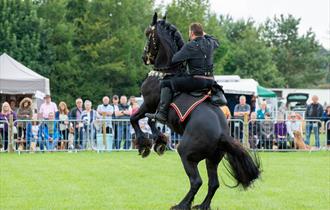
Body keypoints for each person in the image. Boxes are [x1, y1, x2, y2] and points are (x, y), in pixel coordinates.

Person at [145, 22, 226, 122]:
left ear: (192, 33)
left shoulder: (190, 46)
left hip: (196, 81)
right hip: (211, 81)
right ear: (202, 33)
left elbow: (175, 59)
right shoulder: (210, 42)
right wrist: (205, 34)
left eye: (189, 32)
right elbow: (215, 40)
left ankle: (162, 113)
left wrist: (182, 49)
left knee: (166, 83)